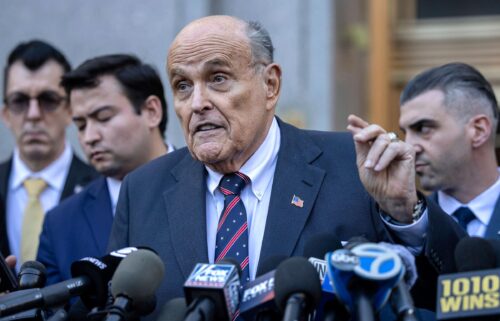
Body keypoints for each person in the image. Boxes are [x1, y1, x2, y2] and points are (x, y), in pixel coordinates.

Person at [108, 15, 464, 317]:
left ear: (270, 84)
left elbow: (448, 294)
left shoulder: (354, 167)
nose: (198, 102)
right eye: (183, 86)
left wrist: (404, 216)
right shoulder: (142, 191)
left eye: (217, 78)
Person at [36, 54, 172, 285]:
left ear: (151, 111)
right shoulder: (60, 224)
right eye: (81, 125)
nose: (89, 137)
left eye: (104, 117)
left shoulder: (212, 189)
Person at [0, 40, 98, 270]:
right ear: (5, 114)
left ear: (70, 110)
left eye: (48, 100)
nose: (33, 115)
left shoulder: (102, 190)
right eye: (19, 101)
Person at [400, 62, 500, 238]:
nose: (409, 148)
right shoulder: (406, 226)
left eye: (423, 128)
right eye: (405, 133)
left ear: (478, 131)